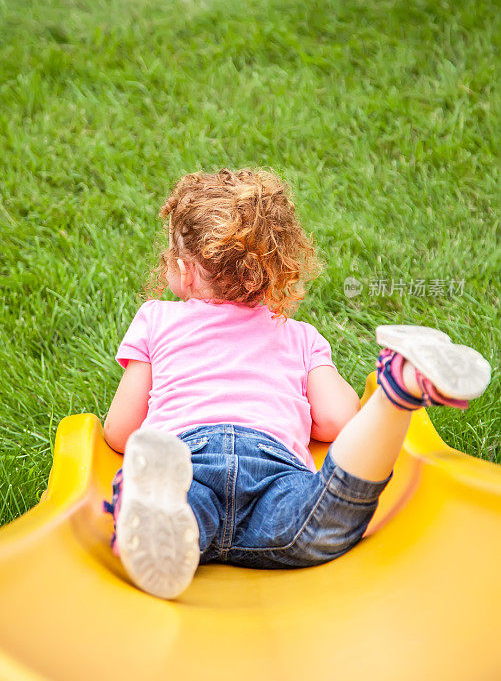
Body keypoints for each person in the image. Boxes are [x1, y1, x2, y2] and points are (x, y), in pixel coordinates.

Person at [102, 167, 491, 600]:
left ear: (183, 271)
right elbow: (335, 420)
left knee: (181, 509)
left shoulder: (157, 320)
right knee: (325, 523)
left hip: (189, 464)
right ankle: (397, 390)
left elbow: (120, 429)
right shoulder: (299, 336)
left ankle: (160, 512)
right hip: (274, 475)